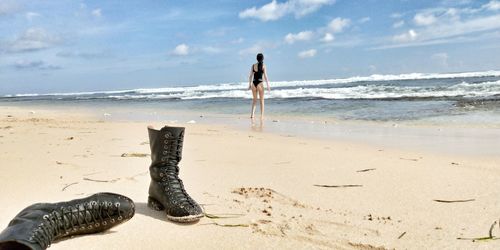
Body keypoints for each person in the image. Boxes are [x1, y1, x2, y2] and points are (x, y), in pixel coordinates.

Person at [248, 53, 270, 119]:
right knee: (261, 100)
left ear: (257, 58)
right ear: (262, 58)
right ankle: (262, 116)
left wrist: (249, 85)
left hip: (254, 84)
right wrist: (268, 85)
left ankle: (252, 115)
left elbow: (250, 76)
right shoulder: (263, 65)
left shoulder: (253, 65)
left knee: (254, 100)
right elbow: (265, 76)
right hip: (260, 83)